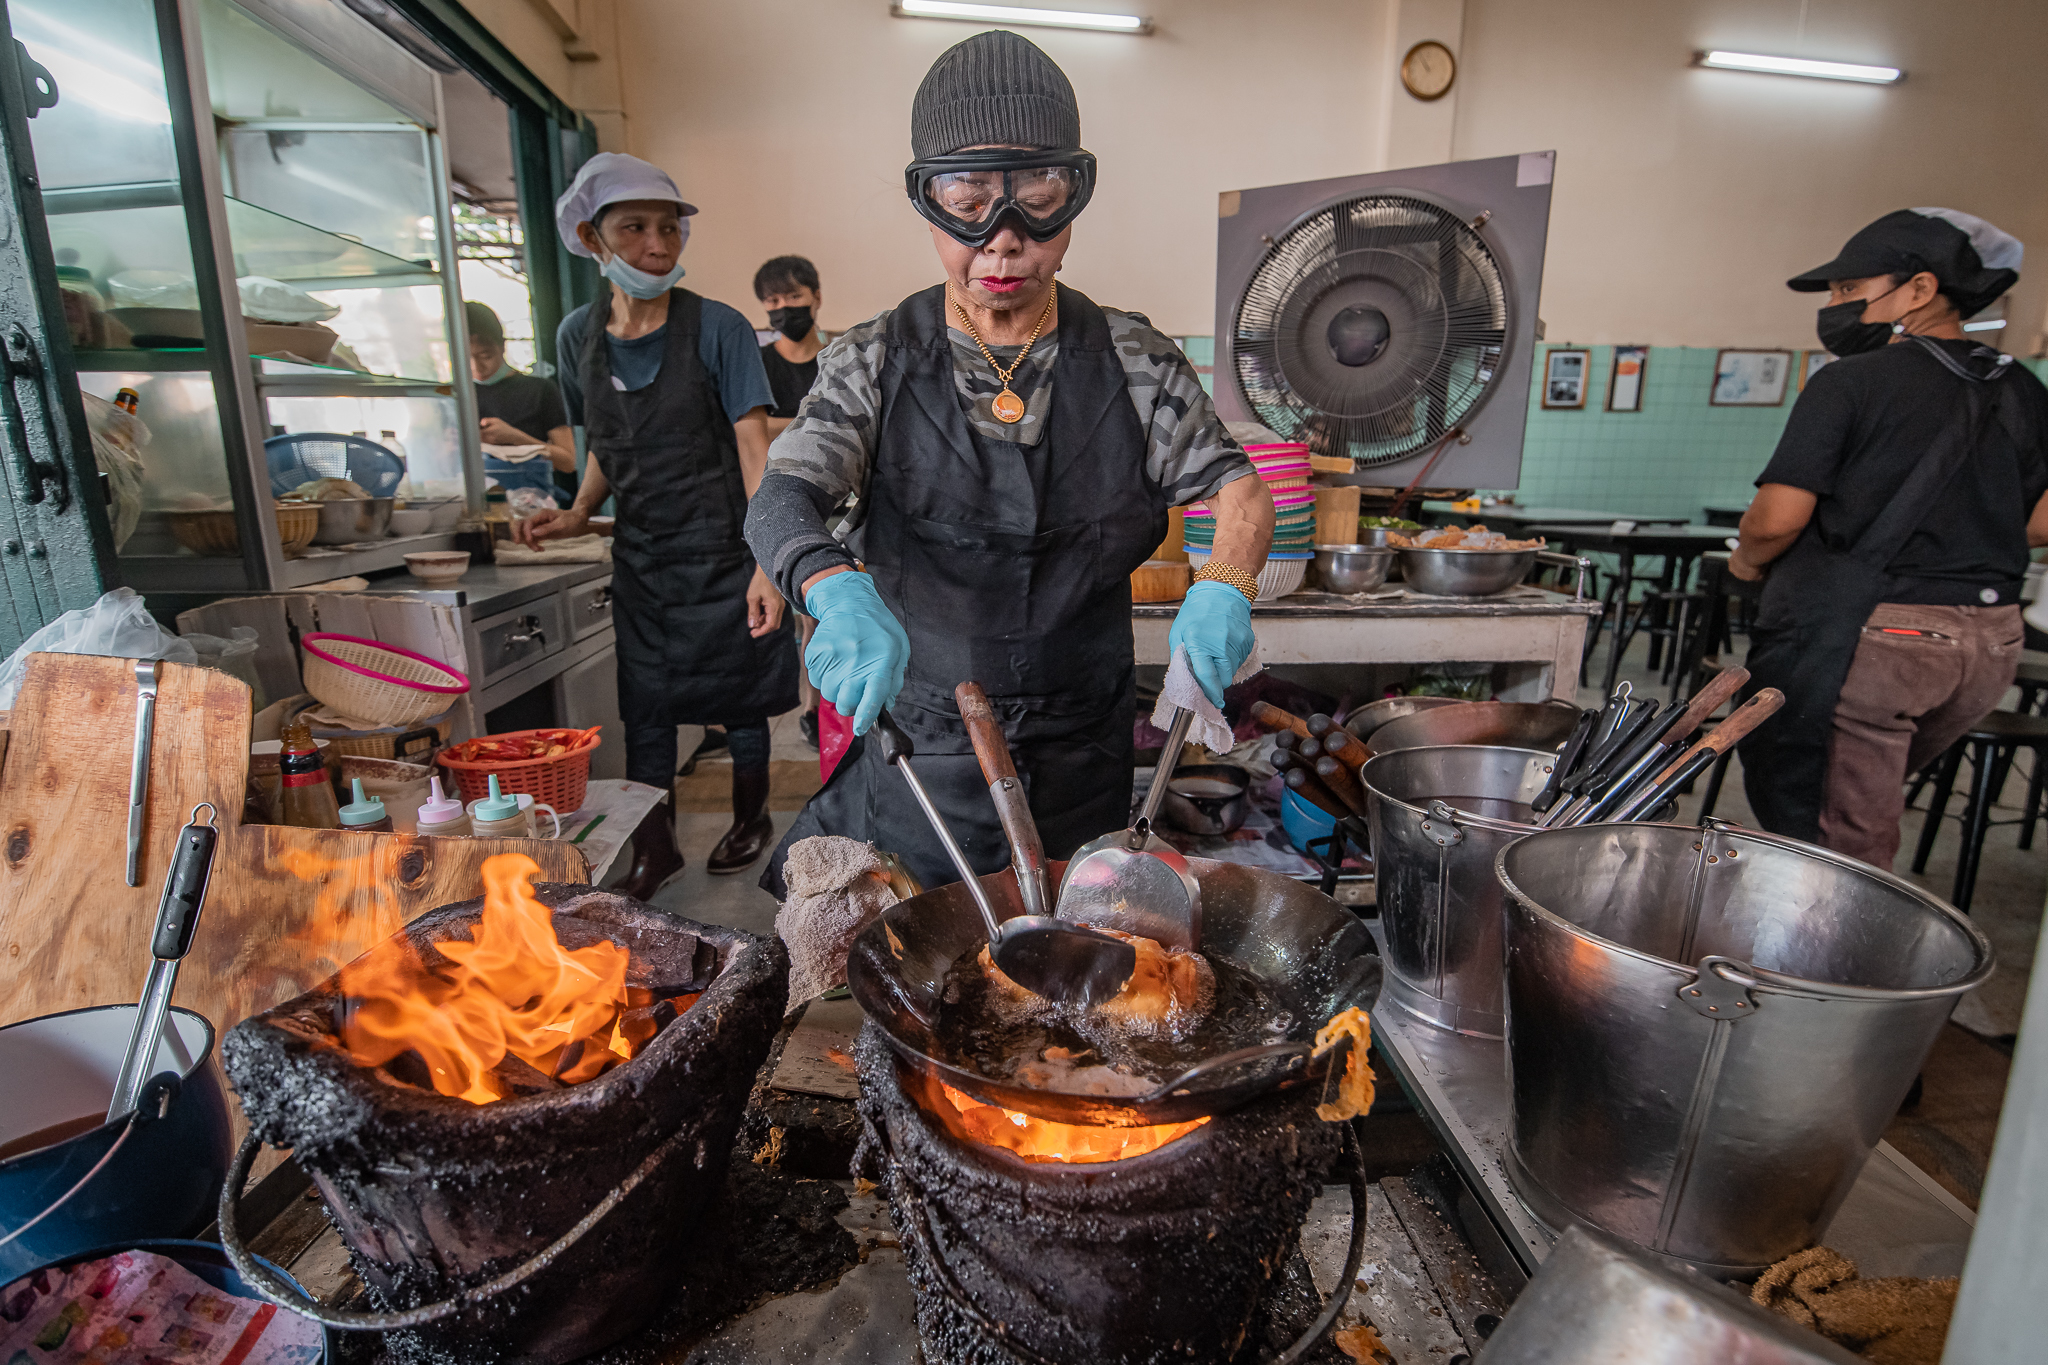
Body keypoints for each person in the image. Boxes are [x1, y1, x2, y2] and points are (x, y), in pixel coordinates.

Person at [744, 30, 1272, 897]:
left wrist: (1225, 587)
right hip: (924, 742)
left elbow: (1241, 492)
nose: (1004, 239)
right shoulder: (873, 359)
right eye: (968, 198)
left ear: (1074, 195)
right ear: (927, 204)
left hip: (1085, 740)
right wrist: (828, 583)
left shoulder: (1134, 358)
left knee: (1079, 959)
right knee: (923, 956)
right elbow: (782, 497)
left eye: (1037, 195)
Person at [1731, 207, 2048, 869]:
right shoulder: (2021, 387)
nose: (1838, 305)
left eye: (1850, 289)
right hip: (1988, 645)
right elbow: (2041, 521)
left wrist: (1746, 561)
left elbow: (1777, 517)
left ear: (1921, 289)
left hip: (1882, 641)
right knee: (1862, 795)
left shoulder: (1849, 383)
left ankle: (1836, 969)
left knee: (1839, 836)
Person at [517, 152, 799, 890]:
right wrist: (580, 508)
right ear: (591, 237)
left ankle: (751, 818)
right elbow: (607, 443)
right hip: (644, 558)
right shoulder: (577, 336)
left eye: (669, 228)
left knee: (741, 699)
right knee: (646, 706)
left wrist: (769, 561)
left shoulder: (720, 328)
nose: (657, 245)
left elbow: (752, 444)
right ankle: (656, 844)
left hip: (725, 549)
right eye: (635, 228)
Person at [465, 302, 576, 505]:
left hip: (532, 505)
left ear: (502, 346)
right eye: (466, 358)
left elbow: (568, 461)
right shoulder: (457, 397)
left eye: (485, 356)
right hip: (473, 504)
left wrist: (516, 437)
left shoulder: (540, 390)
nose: (476, 367)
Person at [756, 255, 829, 440]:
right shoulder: (755, 364)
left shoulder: (839, 364)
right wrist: (818, 421)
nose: (784, 307)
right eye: (773, 300)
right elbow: (753, 428)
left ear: (817, 297)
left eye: (794, 296)